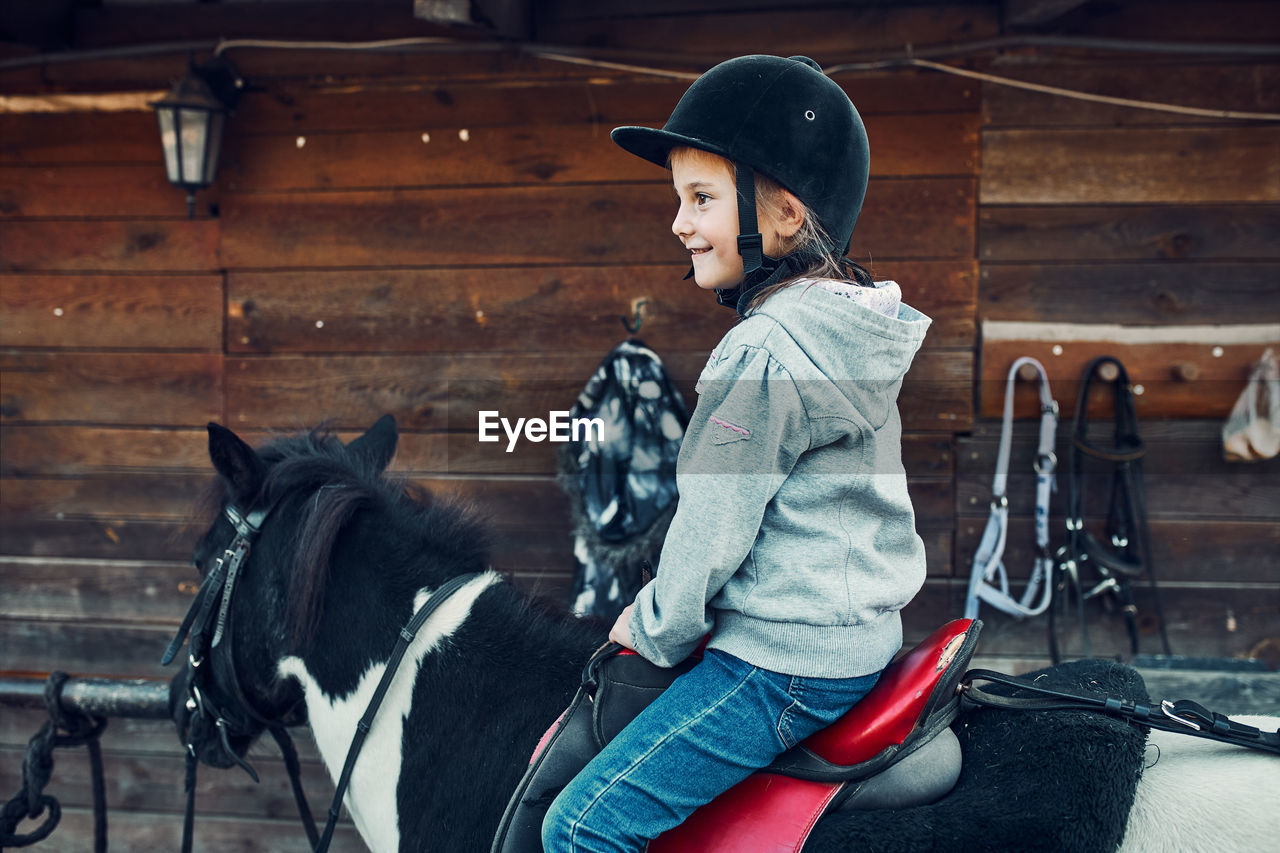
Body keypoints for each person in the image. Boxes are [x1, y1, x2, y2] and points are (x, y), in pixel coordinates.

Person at [542, 54, 932, 852]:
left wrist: (645, 631)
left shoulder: (764, 350)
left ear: (784, 217)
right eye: (678, 199)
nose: (680, 223)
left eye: (702, 199)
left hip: (780, 665)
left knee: (582, 826)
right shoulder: (846, 331)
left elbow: (710, 535)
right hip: (858, 638)